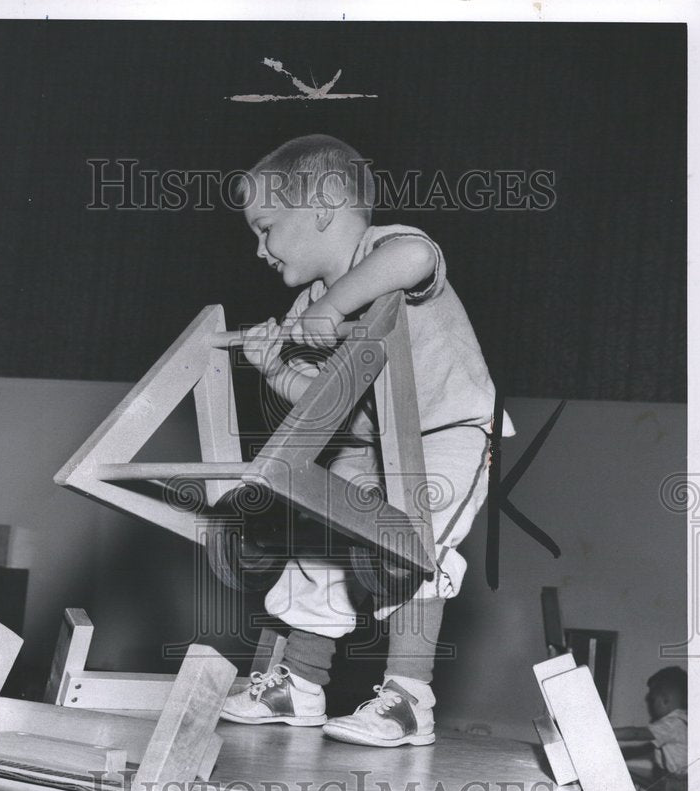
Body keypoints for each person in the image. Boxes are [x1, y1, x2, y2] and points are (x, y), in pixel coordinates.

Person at [220, 134, 514, 747]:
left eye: (266, 228)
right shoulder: (309, 304)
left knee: (414, 543)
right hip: (365, 444)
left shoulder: (383, 248)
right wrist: (277, 368)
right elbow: (329, 398)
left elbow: (414, 259)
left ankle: (409, 699)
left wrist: (334, 305)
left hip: (447, 433)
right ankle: (298, 683)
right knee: (319, 533)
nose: (259, 249)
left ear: (325, 203)